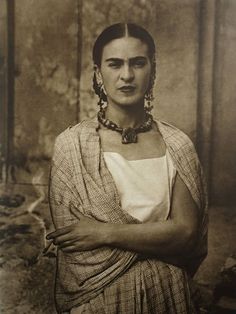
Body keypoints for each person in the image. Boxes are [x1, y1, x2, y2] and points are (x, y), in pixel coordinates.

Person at [47, 23, 208, 314]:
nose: (127, 75)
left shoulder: (177, 145)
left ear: (152, 69)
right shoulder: (72, 147)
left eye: (138, 63)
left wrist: (103, 233)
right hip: (97, 302)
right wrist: (158, 237)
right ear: (98, 72)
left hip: (168, 295)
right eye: (114, 64)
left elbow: (186, 234)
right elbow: (77, 245)